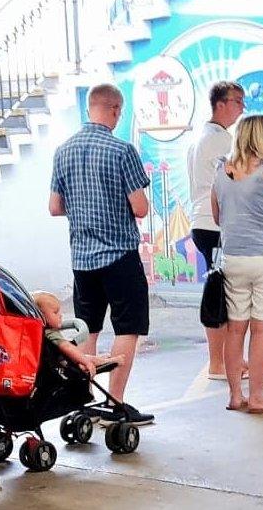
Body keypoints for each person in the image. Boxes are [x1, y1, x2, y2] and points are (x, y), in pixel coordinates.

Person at [49, 83, 154, 424]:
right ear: (115, 110)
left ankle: (83, 402)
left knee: (86, 329)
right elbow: (140, 208)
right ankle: (115, 404)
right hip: (119, 255)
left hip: (82, 257)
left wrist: (84, 211)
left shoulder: (63, 151)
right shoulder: (122, 151)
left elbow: (54, 207)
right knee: (127, 327)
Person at [212, 114, 263, 413]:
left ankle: (235, 395)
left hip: (234, 259)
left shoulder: (223, 168)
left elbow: (218, 215)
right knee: (261, 330)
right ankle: (257, 396)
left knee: (235, 329)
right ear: (257, 136)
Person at [186, 81, 246, 380]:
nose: (242, 107)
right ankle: (219, 363)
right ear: (220, 104)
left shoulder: (204, 137)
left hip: (205, 222)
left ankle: (225, 360)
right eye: (237, 101)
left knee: (221, 291)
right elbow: (236, 182)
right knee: (221, 294)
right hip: (215, 224)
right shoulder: (220, 141)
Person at [31, 291, 126, 375]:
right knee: (86, 358)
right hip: (65, 364)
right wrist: (86, 362)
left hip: (60, 362)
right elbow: (67, 347)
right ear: (41, 317)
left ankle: (102, 360)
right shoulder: (50, 333)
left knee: (87, 358)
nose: (60, 315)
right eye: (55, 313)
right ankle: (109, 361)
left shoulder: (39, 333)